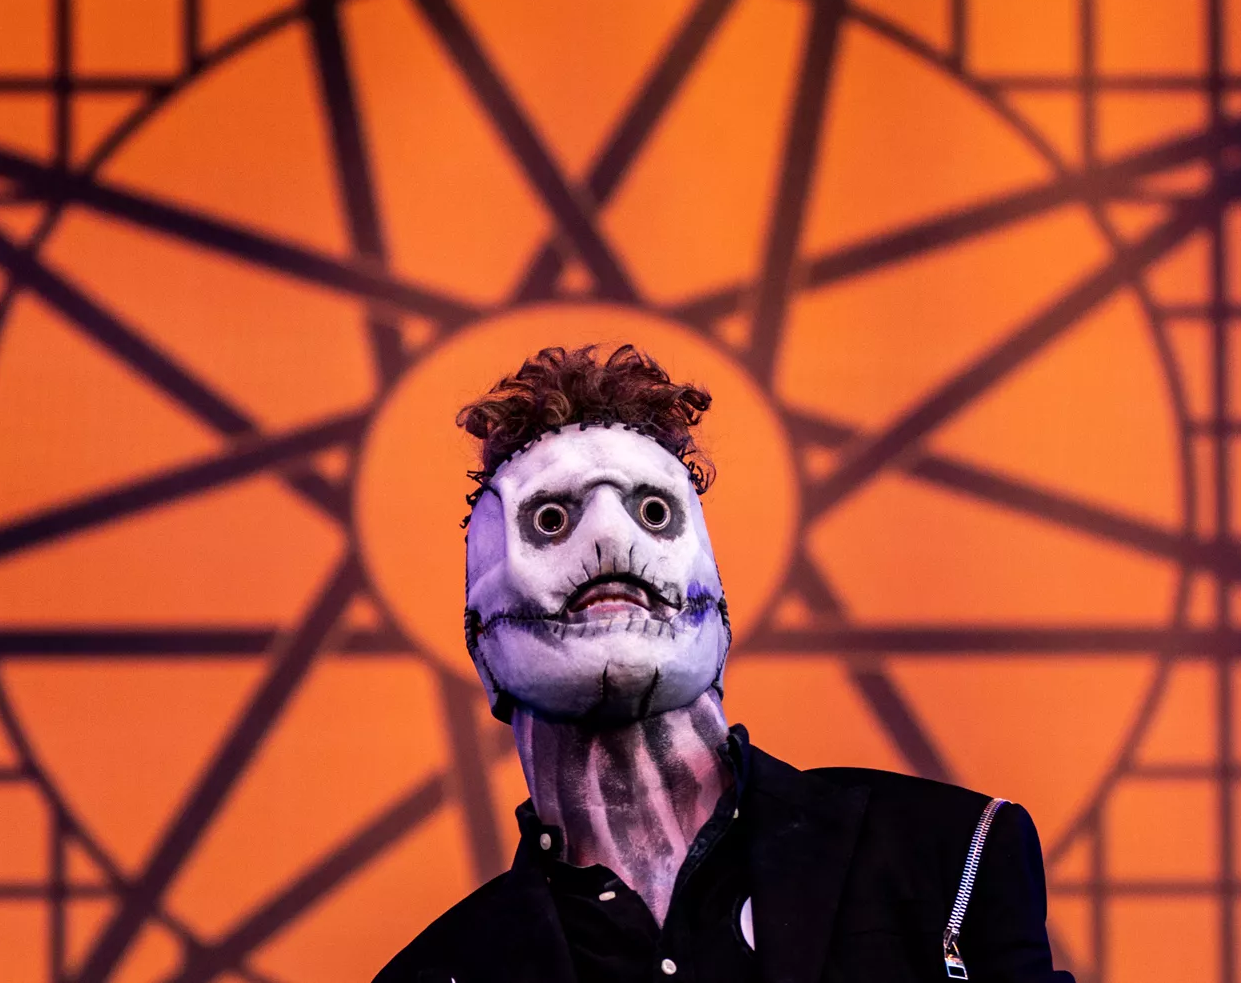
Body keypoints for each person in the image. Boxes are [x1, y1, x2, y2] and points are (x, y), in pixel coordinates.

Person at [375, 344, 1076, 983]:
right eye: (550, 520)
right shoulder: (439, 975)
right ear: (480, 643)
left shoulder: (949, 860)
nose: (609, 537)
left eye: (654, 512)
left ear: (721, 610)